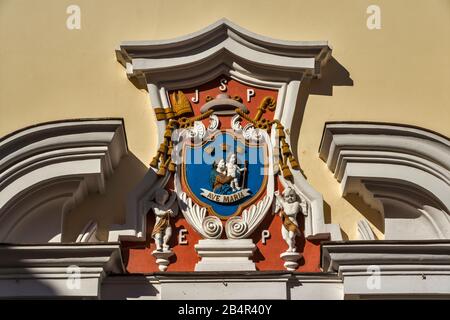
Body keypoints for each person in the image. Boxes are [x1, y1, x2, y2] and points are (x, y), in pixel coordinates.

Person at [275, 187, 302, 252]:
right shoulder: (285, 204)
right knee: (285, 237)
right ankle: (291, 247)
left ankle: (293, 246)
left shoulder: (296, 204)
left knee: (291, 236)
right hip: (285, 224)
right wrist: (278, 195)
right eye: (287, 196)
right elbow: (281, 200)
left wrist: (283, 213)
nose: (290, 198)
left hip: (292, 224)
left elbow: (293, 212)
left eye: (292, 196)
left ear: (295, 196)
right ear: (285, 198)